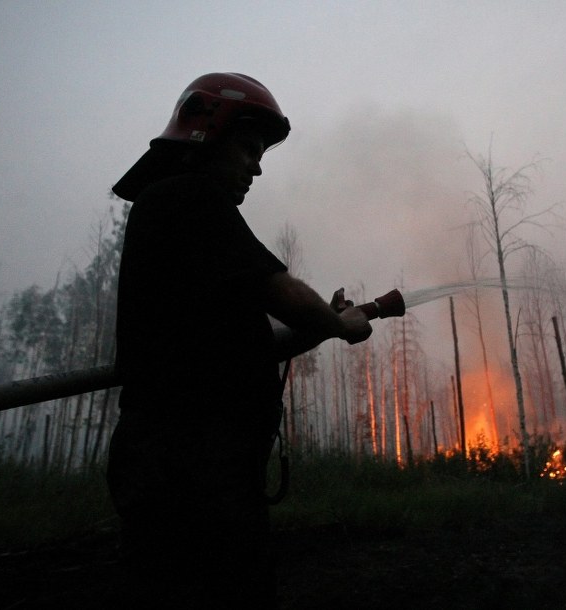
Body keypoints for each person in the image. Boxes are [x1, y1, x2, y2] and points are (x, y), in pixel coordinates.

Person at [106, 72, 372, 608]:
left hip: (184, 464)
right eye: (249, 148)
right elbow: (288, 298)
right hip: (193, 470)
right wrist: (341, 324)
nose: (255, 166)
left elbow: (221, 332)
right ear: (208, 131)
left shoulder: (171, 212)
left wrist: (316, 322)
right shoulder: (190, 196)